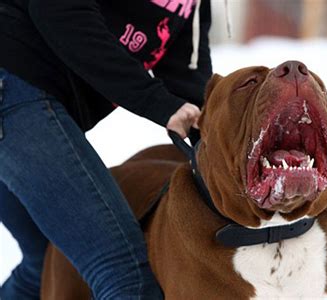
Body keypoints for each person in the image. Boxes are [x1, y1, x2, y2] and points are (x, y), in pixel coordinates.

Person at [0, 0, 212, 298]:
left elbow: (188, 81)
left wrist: (221, 143)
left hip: (23, 101)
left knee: (45, 262)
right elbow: (62, 12)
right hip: (13, 88)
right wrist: (157, 103)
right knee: (127, 276)